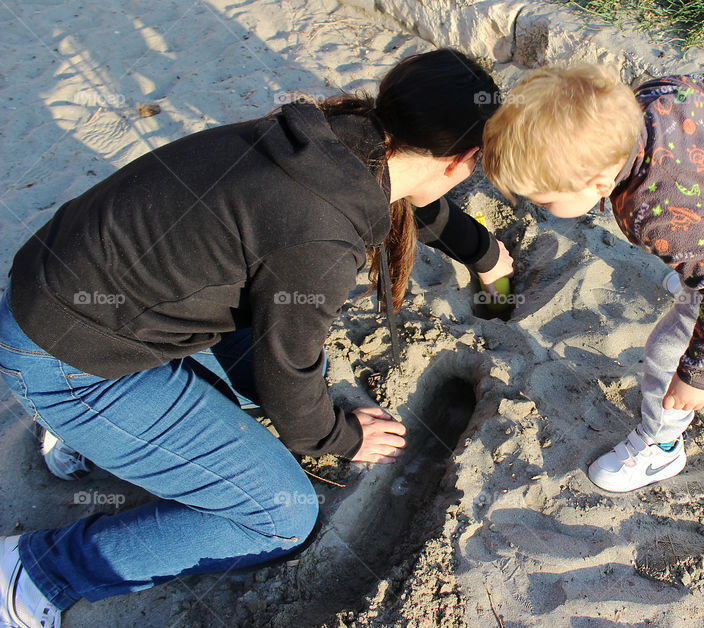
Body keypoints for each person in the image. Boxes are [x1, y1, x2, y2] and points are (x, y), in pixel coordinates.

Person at [0, 48, 512, 628]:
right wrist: (340, 438)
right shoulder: (322, 236)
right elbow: (285, 375)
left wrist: (483, 251)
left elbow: (412, 200)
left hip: (64, 296)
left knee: (304, 377)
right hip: (69, 359)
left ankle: (98, 435)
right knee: (283, 516)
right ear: (464, 160)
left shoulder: (335, 138)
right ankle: (38, 569)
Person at [482, 65, 704, 493]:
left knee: (665, 351)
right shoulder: (659, 97)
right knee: (700, 263)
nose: (538, 206)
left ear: (599, 182)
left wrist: (699, 375)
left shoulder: (654, 211)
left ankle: (662, 447)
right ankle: (695, 274)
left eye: (542, 198)